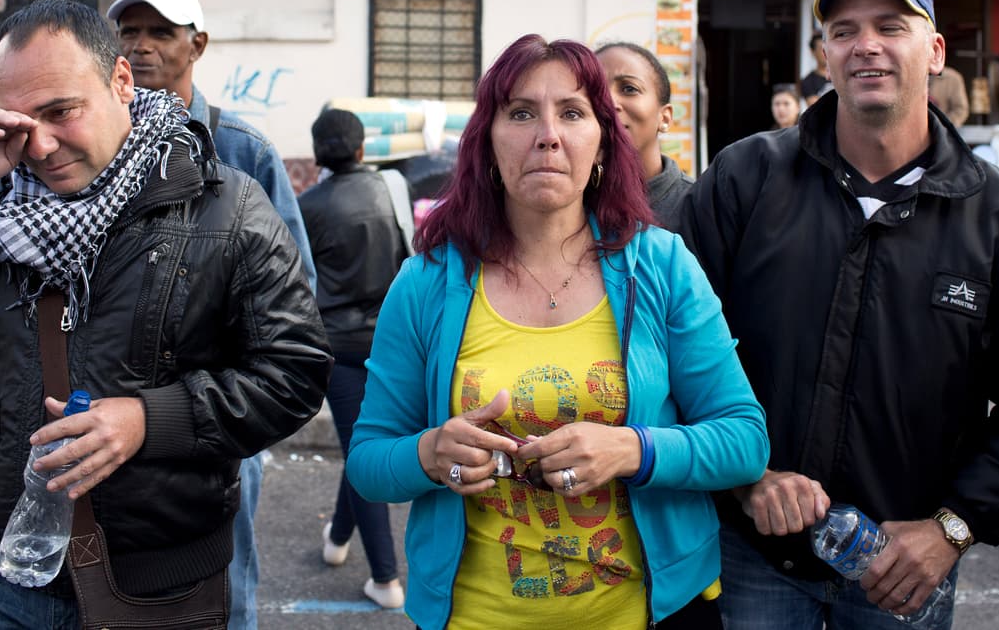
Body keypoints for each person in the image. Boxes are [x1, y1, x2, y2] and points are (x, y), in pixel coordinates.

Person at [0, 0, 332, 629]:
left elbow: (294, 373)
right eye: (20, 121)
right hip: (1, 579)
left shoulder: (225, 206)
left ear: (121, 81)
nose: (40, 144)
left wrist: (149, 419)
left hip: (159, 586)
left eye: (61, 111)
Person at [673, 0, 999, 630]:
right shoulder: (744, 180)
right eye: (844, 31)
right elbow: (672, 348)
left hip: (903, 573)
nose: (865, 44)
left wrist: (952, 528)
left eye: (890, 27)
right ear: (825, 57)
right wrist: (744, 476)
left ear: (935, 53)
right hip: (751, 555)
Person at [346, 34, 769, 630]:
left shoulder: (662, 264)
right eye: (521, 113)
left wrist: (632, 450)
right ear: (487, 142)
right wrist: (429, 454)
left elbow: (745, 441)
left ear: (602, 144)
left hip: (649, 613)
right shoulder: (426, 282)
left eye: (572, 113)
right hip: (474, 617)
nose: (548, 134)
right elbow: (368, 460)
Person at [106, 0, 317, 630]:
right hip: (112, 414)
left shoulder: (241, 151)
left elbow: (295, 293)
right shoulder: (97, 145)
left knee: (223, 583)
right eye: (129, 32)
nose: (141, 46)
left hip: (215, 416)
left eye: (159, 33)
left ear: (197, 44)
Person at [298, 108, 410, 610]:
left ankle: (385, 579)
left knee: (362, 452)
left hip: (337, 349)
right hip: (391, 344)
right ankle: (337, 539)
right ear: (363, 148)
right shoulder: (392, 189)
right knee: (362, 444)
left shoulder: (307, 206)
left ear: (318, 154)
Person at [597, 41, 694, 229]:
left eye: (629, 89)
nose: (608, 102)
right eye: (596, 91)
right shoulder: (568, 204)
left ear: (664, 118)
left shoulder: (698, 207)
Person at [800, 33, 832, 106]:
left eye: (827, 48)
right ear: (813, 52)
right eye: (821, 49)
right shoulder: (808, 82)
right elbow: (817, 108)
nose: (826, 52)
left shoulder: (842, 75)